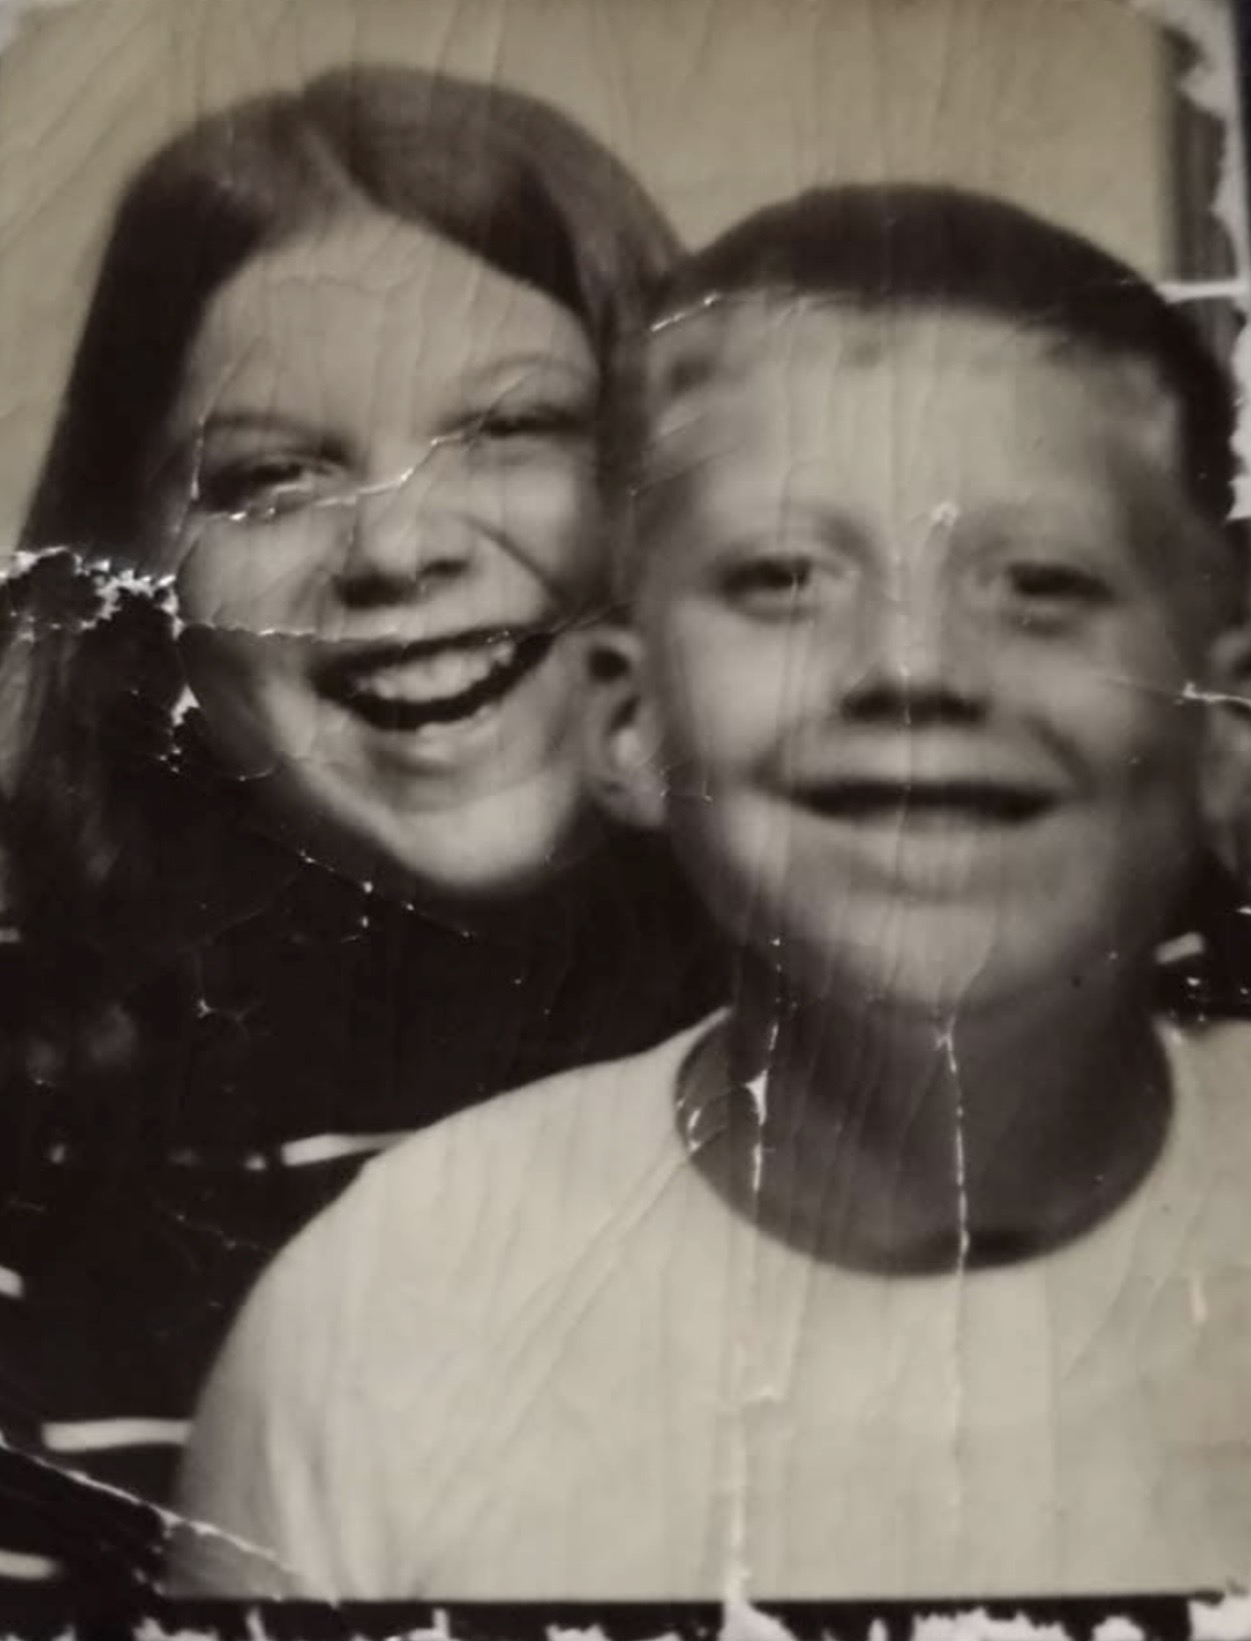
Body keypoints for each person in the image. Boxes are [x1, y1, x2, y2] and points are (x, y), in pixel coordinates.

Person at [171, 185, 1251, 1601]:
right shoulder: (377, 1328)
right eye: (783, 576)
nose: (913, 668)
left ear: (1221, 728)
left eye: (1041, 581)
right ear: (629, 723)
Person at [0, 65, 724, 1594]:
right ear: (134, 567)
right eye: (270, 477)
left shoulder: (933, 997)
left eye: (514, 426)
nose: (397, 544)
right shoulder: (37, 1072)